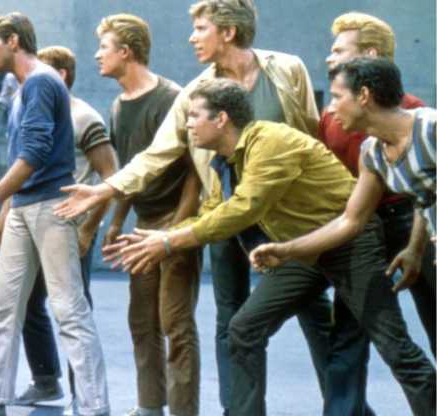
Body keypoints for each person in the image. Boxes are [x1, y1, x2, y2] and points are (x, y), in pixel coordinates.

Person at [52, 2, 332, 414]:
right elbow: (158, 153)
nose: (191, 37)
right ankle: (238, 409)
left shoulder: (286, 69)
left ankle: (345, 406)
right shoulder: (195, 91)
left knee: (314, 314)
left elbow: (310, 135)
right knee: (231, 321)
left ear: (229, 32)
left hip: (287, 217)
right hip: (225, 215)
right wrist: (106, 189)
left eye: (201, 28)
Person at [108, 78, 436, 416]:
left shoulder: (270, 141)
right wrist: (159, 236)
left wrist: (167, 241)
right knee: (243, 329)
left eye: (194, 115)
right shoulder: (226, 161)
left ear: (221, 119)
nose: (187, 123)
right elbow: (213, 212)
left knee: (395, 348)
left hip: (350, 244)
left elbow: (244, 209)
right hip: (302, 249)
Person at [0, 13, 109, 416]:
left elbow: (35, 155)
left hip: (51, 206)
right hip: (25, 207)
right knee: (3, 305)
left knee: (69, 309)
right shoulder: (25, 88)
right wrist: (2, 218)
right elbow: (21, 164)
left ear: (14, 42)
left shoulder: (41, 81)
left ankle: (94, 407)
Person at [251, 57, 435, 319]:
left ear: (363, 95)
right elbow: (350, 221)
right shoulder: (373, 153)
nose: (331, 108)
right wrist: (288, 249)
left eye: (337, 97)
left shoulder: (429, 128)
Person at [315, 13, 435, 415]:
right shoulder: (334, 120)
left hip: (407, 221)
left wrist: (417, 246)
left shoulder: (417, 118)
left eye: (339, 50)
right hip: (362, 230)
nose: (329, 57)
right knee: (349, 332)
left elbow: (423, 195)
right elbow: (350, 211)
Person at [0, 45, 118, 414]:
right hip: (32, 217)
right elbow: (20, 173)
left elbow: (110, 176)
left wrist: (88, 229)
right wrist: (1, 222)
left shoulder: (84, 117)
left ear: (60, 75)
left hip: (67, 222)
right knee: (26, 305)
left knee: (71, 310)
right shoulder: (30, 111)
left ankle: (87, 399)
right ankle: (46, 380)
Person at [96, 14, 202, 416]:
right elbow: (128, 172)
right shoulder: (118, 106)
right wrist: (117, 222)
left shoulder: (172, 98)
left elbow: (196, 171)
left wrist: (177, 230)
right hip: (141, 226)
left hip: (177, 224)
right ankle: (148, 407)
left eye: (104, 48)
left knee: (176, 325)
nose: (97, 56)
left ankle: (182, 412)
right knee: (142, 322)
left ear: (126, 52)